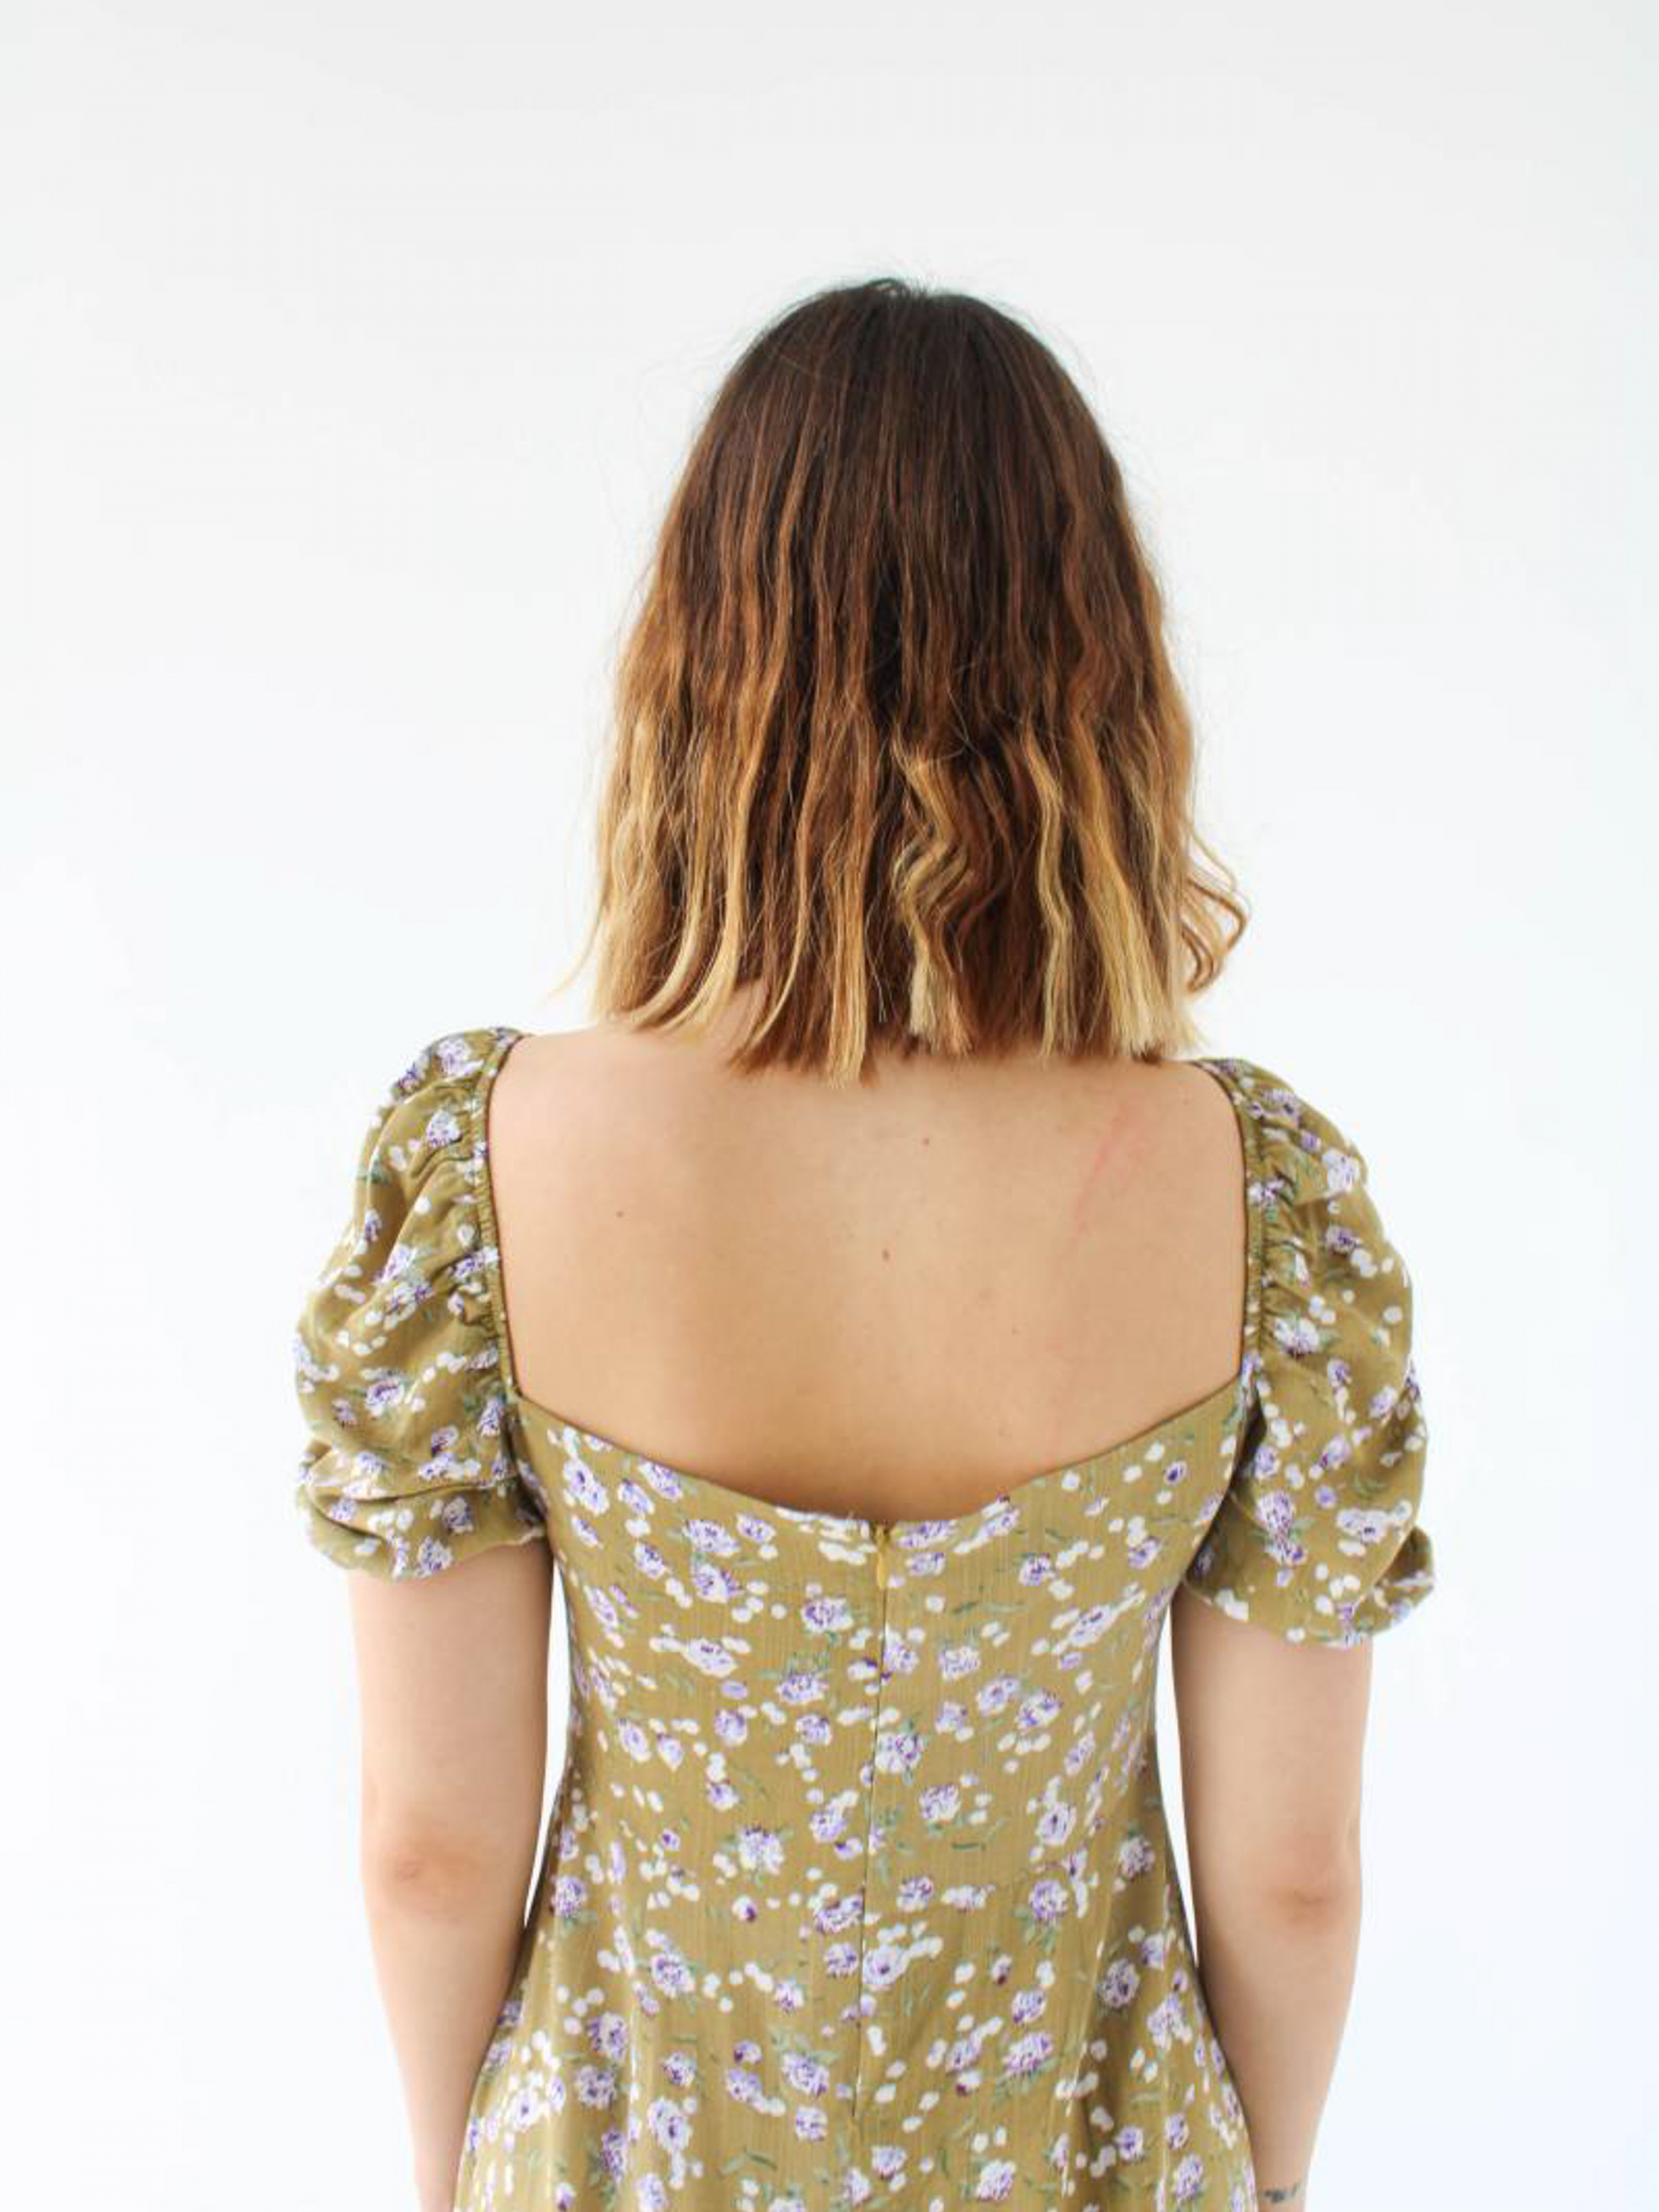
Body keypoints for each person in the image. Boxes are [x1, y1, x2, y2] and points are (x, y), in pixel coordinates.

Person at [291, 277, 1435, 2212]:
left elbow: (428, 1846)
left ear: (696, 668)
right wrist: (1263, 2183)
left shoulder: (483, 1167)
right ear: (1099, 680)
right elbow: (1291, 1878)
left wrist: (452, 2170)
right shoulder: (1257, 1203)